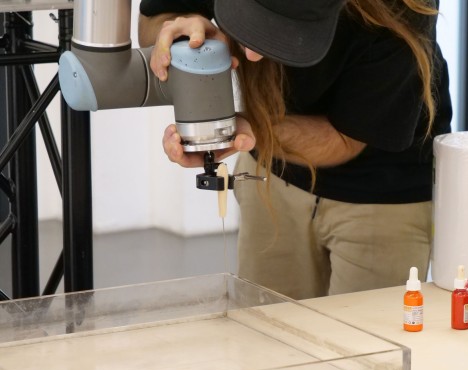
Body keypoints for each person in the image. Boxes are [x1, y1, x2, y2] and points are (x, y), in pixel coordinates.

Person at [138, 0, 452, 300]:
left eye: (280, 32)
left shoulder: (400, 9)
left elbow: (345, 139)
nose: (250, 55)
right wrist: (180, 39)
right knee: (266, 326)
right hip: (271, 175)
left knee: (361, 335)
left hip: (382, 190)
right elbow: (154, 19)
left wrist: (251, 130)